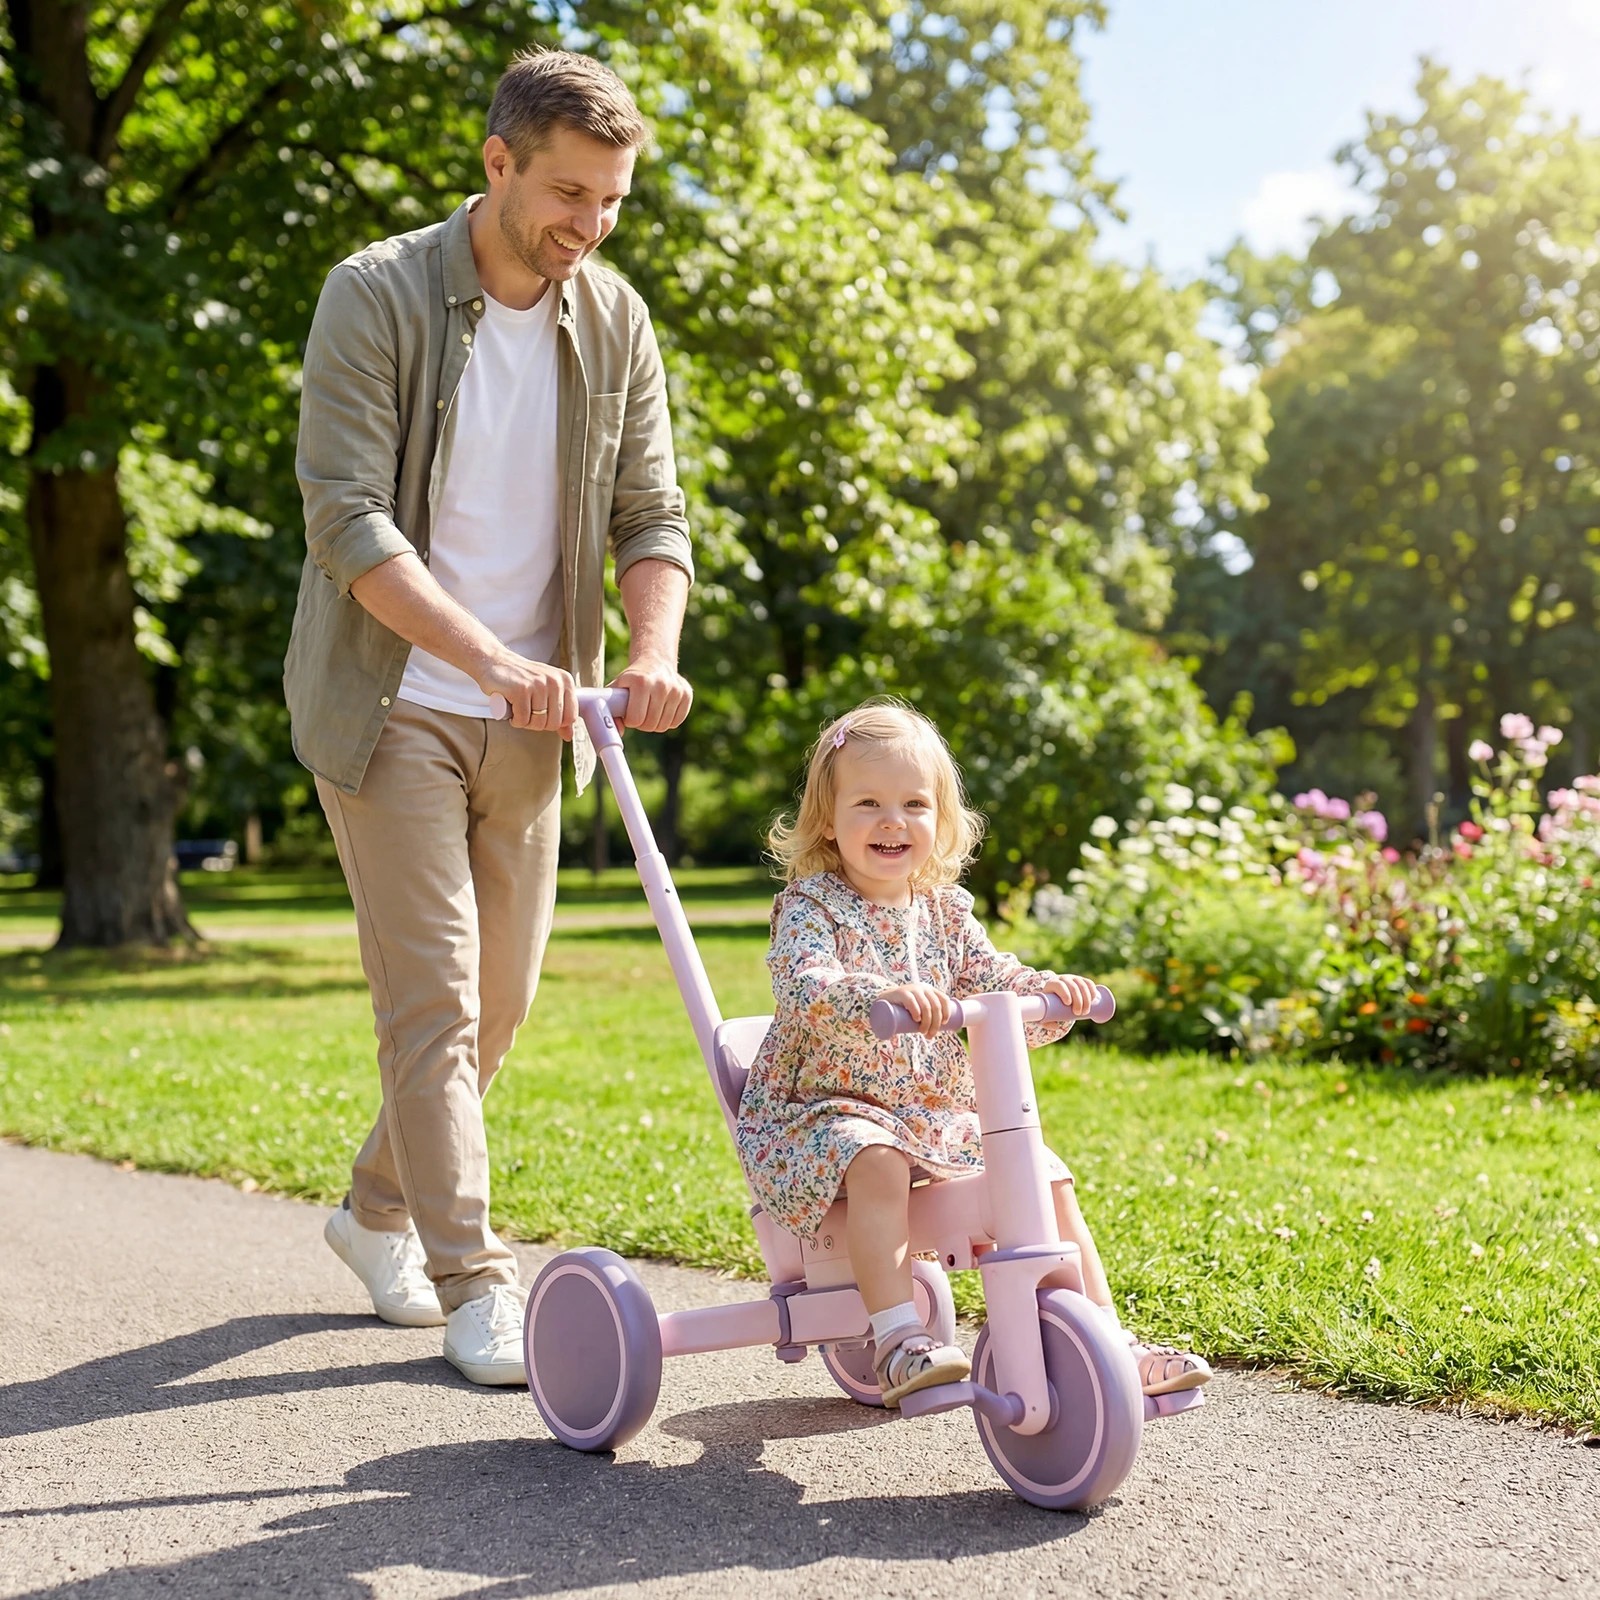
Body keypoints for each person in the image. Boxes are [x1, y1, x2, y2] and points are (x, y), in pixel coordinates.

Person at [284, 48, 693, 1386]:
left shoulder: (613, 317)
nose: (592, 223)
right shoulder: (376, 294)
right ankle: (478, 1283)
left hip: (540, 716)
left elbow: (652, 514)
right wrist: (485, 654)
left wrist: (649, 652)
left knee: (498, 1007)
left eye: (615, 201)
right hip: (391, 696)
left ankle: (373, 1213)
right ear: (498, 163)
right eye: (571, 192)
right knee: (438, 998)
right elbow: (347, 519)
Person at [735, 699, 1212, 1406]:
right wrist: (877, 995)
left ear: (941, 819)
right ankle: (898, 1340)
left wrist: (1047, 993)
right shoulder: (813, 907)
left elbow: (992, 980)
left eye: (914, 804)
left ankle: (1109, 1341)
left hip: (925, 1114)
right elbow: (806, 982)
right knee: (876, 1159)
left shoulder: (945, 910)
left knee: (1043, 1175)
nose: (893, 821)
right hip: (819, 1117)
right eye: (867, 803)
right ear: (828, 820)